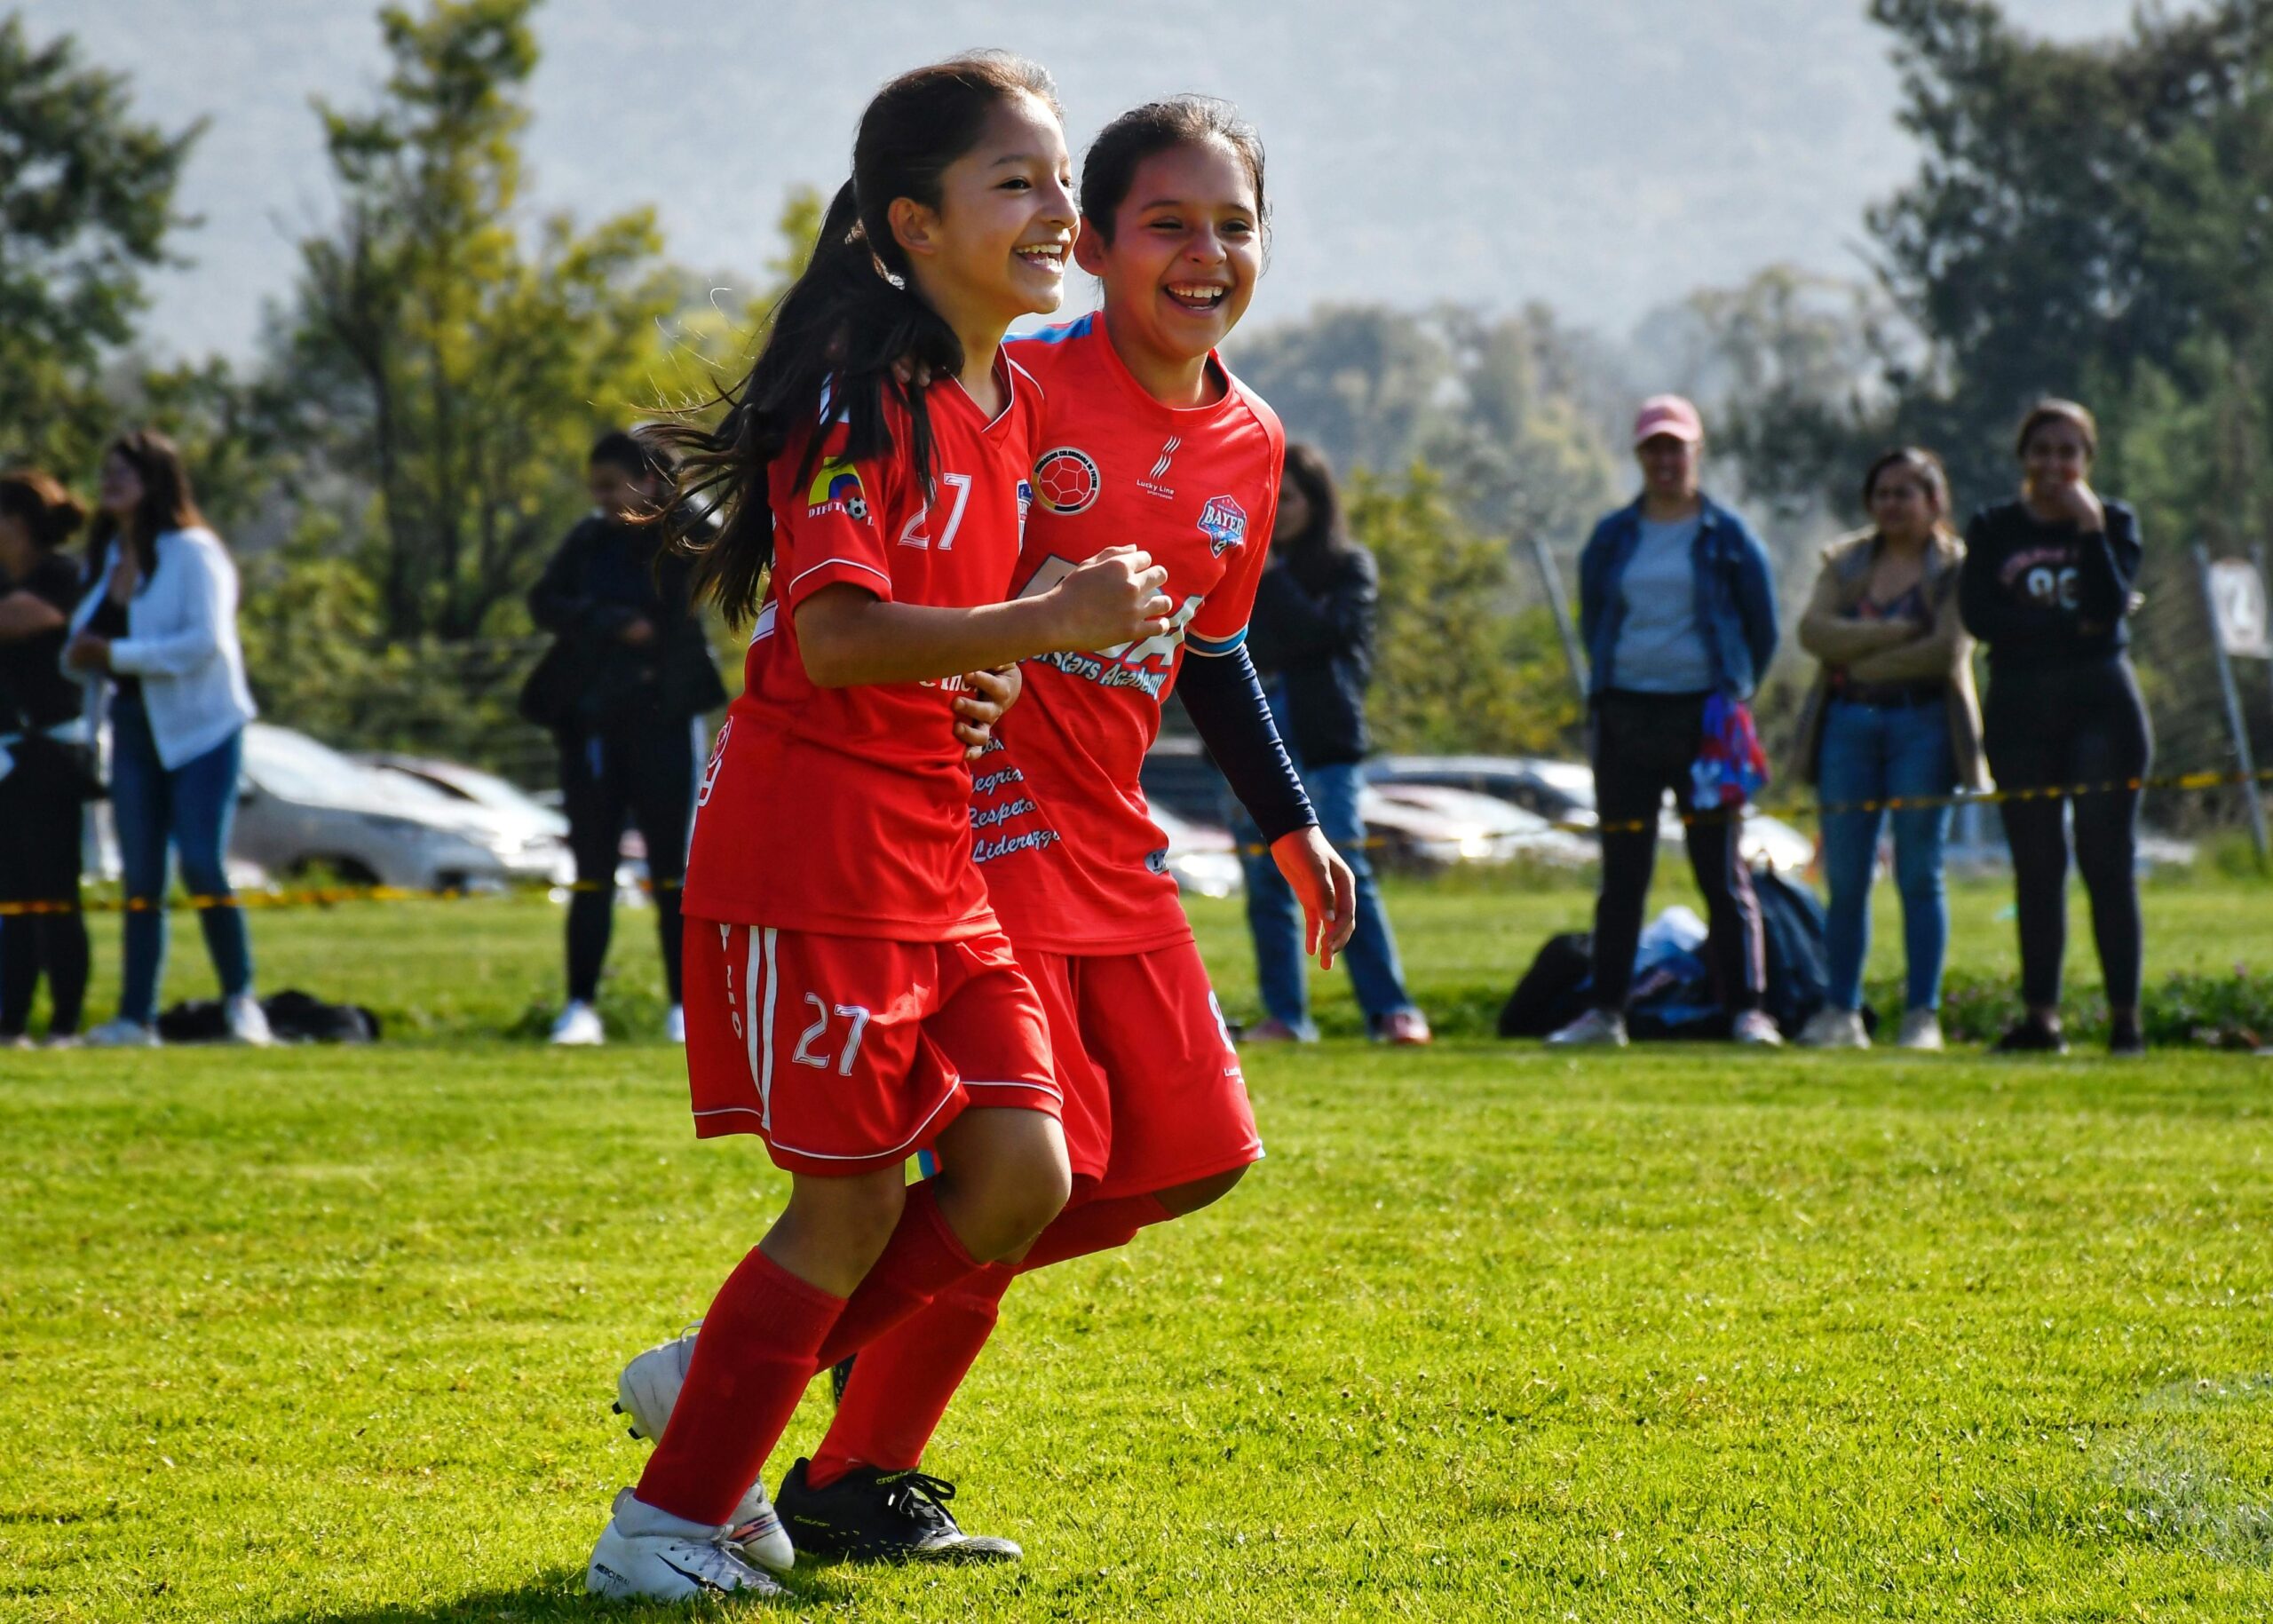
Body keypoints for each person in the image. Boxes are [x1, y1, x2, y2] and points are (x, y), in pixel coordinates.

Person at [605, 95, 1358, 1565]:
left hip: (1078, 841)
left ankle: (742, 1376)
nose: (1203, 254)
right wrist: (1000, 656)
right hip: (944, 830)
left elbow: (1209, 642)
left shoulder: (1221, 435)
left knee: (1158, 1158)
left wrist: (1291, 824)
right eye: (1163, 221)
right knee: (984, 1167)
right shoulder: (986, 381)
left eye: (1234, 224)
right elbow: (863, 614)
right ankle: (810, 1468)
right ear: (1096, 236)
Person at [1549, 395, 1780, 1048]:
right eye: (1654, 448)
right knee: (1624, 871)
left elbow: (1763, 628)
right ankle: (1606, 1012)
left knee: (1721, 871)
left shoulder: (1728, 536)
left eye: (1676, 447)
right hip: (1626, 717)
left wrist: (1733, 691)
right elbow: (1597, 615)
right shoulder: (1615, 535)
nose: (1665, 460)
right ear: (1639, 456)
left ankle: (1748, 1009)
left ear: (1696, 453)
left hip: (1706, 722)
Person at [62, 432, 267, 1049]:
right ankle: (135, 1017)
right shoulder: (107, 559)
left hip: (202, 727)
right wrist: (98, 639)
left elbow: (203, 641)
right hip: (132, 728)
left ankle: (241, 1002)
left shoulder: (194, 552)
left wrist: (117, 652)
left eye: (124, 472)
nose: (110, 483)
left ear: (156, 479)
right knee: (141, 877)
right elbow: (82, 645)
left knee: (202, 861)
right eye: (106, 472)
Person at [1960, 399, 2150, 1056]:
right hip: (2020, 714)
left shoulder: (2116, 522)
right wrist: (2075, 627)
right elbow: (1982, 616)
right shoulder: (1992, 527)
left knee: (2108, 864)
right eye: (2042, 451)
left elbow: (2108, 603)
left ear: (2087, 460)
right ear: (2023, 458)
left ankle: (2125, 1021)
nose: (2053, 466)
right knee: (2037, 868)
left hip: (2104, 710)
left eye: (2068, 452)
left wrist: (2090, 528)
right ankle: (2042, 1019)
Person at [524, 430, 726, 1047]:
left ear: (649, 482)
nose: (605, 500)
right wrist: (607, 621)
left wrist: (674, 503)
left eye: (614, 486)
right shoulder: (588, 541)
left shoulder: (686, 534)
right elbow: (544, 600)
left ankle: (683, 1006)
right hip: (593, 723)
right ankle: (580, 1005)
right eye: (597, 490)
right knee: (593, 866)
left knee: (675, 869)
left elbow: (717, 549)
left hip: (666, 719)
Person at [1790, 448, 1984, 1050]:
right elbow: (1812, 632)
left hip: (1923, 724)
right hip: (1847, 724)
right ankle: (1840, 1010)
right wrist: (1892, 633)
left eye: (1907, 492)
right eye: (1883, 492)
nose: (1893, 504)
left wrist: (1857, 652)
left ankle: (1921, 1016)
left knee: (1919, 871)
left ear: (1935, 501)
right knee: (1845, 875)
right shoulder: (1844, 561)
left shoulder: (1955, 567)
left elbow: (1944, 649)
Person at [1236, 442, 1430, 1045]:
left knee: (1346, 869)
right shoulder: (1240, 566)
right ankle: (1287, 1017)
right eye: (1271, 496)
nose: (1278, 508)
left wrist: (1275, 579)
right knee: (1264, 876)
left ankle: (1391, 1010)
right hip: (1249, 727)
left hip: (1324, 739)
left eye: (1288, 498)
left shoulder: (1349, 567)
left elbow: (1327, 636)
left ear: (1316, 503)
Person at [0, 471, 94, 1047]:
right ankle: (11, 1018)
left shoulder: (61, 576)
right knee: (10, 893)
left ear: (18, 524)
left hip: (51, 754)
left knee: (54, 889)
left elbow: (17, 620)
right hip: (7, 756)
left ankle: (64, 1019)